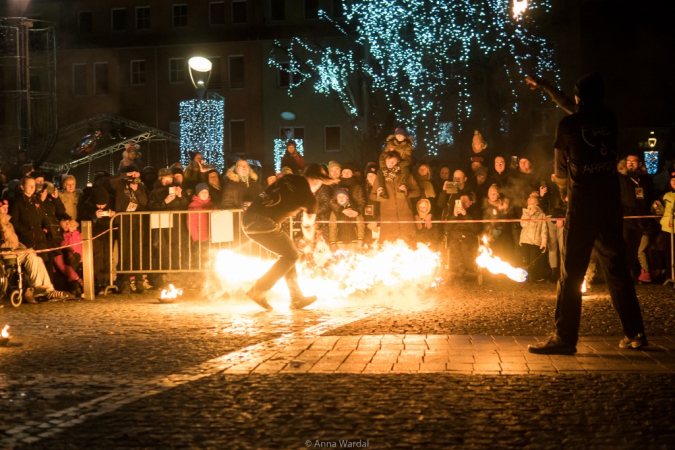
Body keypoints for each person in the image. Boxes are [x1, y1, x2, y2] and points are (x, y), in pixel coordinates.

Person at [529, 73, 647, 355]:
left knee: (571, 273)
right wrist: (548, 89)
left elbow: (559, 169)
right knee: (617, 268)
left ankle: (564, 337)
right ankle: (636, 333)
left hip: (582, 206)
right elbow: (579, 108)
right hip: (609, 204)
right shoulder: (608, 118)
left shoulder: (569, 124)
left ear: (579, 97)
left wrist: (562, 191)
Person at [242, 163, 338, 310]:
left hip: (248, 219)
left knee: (288, 255)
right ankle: (259, 290)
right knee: (291, 256)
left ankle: (297, 298)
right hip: (264, 223)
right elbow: (307, 225)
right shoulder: (310, 199)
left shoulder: (288, 177)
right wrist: (310, 242)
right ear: (318, 180)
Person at [0, 200, 71, 303]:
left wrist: (22, 247)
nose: (6, 210)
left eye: (7, 208)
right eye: (3, 208)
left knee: (37, 257)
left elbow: (14, 241)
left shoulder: (8, 223)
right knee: (30, 255)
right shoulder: (3, 223)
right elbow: (5, 240)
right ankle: (37, 286)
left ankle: (49, 289)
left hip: (14, 251)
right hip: (5, 253)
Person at [370, 151, 421, 245]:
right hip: (389, 222)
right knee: (389, 249)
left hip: (405, 220)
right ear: (385, 162)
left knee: (409, 249)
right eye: (389, 161)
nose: (391, 164)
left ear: (398, 162)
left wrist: (406, 193)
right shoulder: (381, 177)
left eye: (394, 161)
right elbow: (372, 196)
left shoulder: (405, 175)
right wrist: (378, 195)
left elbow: (417, 192)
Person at [376, 127, 414, 199]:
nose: (399, 136)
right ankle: (382, 190)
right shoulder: (390, 144)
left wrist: (398, 166)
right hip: (389, 164)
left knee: (405, 170)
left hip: (399, 165)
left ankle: (402, 188)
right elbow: (383, 155)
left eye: (401, 135)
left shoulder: (407, 147)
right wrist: (383, 166)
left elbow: (408, 159)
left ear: (405, 136)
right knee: (379, 172)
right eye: (398, 134)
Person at [519, 196, 548, 282]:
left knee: (534, 261)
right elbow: (523, 224)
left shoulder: (542, 214)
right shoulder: (525, 212)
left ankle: (534, 277)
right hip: (525, 240)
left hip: (535, 241)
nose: (529, 199)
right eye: (528, 199)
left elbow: (544, 229)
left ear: (536, 203)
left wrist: (544, 241)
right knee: (525, 260)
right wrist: (529, 214)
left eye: (532, 199)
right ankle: (525, 278)